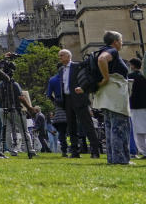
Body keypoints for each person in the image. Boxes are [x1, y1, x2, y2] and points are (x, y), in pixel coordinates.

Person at [92, 31, 131, 165]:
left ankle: (113, 158)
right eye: (121, 40)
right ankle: (121, 159)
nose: (122, 43)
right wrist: (106, 77)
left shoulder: (101, 50)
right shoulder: (112, 51)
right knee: (119, 126)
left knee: (110, 127)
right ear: (115, 42)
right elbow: (102, 59)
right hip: (115, 93)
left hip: (106, 94)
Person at [58, 48, 101, 159]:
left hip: (79, 98)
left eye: (62, 55)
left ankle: (95, 151)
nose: (60, 57)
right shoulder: (61, 70)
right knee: (71, 126)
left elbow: (86, 80)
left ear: (68, 56)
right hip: (67, 99)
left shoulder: (77, 66)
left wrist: (83, 89)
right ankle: (74, 151)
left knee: (87, 125)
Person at [129, 58, 146, 159]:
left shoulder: (130, 77)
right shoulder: (144, 76)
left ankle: (143, 151)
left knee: (138, 131)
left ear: (132, 66)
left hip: (135, 106)